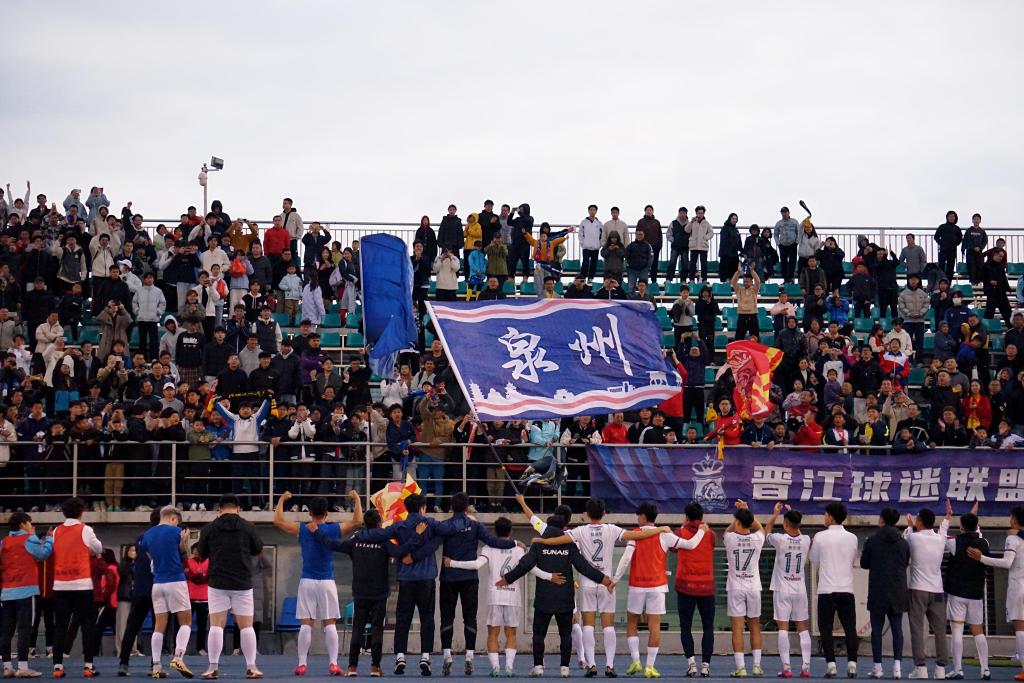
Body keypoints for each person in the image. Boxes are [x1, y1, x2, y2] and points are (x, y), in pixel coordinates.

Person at [531, 497, 677, 678]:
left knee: (588, 625)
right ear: (604, 513)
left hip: (587, 582)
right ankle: (609, 665)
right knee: (608, 626)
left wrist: (542, 541)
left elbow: (559, 540)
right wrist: (660, 529)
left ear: (586, 514)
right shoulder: (611, 529)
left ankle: (592, 665)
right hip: (606, 582)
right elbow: (637, 535)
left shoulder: (580, 530)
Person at [310, 508, 427, 676]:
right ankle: (375, 667)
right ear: (379, 524)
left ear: (364, 523)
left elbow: (333, 544)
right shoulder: (384, 542)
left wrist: (316, 532)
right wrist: (417, 535)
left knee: (357, 629)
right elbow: (401, 551)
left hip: (360, 592)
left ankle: (352, 667)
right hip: (379, 593)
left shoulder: (355, 540)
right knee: (377, 629)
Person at [500, 513, 613, 679]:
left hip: (544, 597)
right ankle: (565, 668)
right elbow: (583, 567)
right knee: (565, 634)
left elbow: (525, 565)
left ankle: (538, 667)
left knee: (539, 634)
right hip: (564, 597)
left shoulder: (539, 545)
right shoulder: (569, 545)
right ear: (563, 528)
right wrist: (603, 579)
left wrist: (507, 579)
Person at [445, 517, 560, 677]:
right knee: (511, 633)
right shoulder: (518, 549)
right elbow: (530, 568)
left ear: (494, 531)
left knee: (493, 633)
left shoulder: (488, 548)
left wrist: (452, 563)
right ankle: (509, 668)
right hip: (513, 596)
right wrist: (549, 576)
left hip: (495, 595)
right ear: (510, 531)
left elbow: (476, 565)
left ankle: (495, 668)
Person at [612, 502, 707, 678]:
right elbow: (690, 545)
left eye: (638, 516)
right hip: (657, 586)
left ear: (642, 516)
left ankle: (635, 661)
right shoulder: (664, 535)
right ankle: (649, 666)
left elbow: (625, 559)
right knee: (654, 625)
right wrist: (701, 531)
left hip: (637, 586)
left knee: (632, 622)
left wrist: (615, 580)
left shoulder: (635, 534)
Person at [273, 491, 362, 676]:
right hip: (327, 581)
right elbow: (357, 521)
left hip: (307, 581)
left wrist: (281, 499)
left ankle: (302, 664)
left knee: (306, 624)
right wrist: (357, 499)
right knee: (330, 624)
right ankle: (333, 663)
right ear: (326, 514)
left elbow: (278, 521)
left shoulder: (303, 529)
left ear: (310, 513)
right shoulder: (333, 529)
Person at [195, 494, 264, 680]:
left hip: (217, 582)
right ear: (238, 508)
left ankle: (212, 667)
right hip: (242, 582)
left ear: (219, 509)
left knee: (216, 625)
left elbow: (201, 553)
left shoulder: (209, 528)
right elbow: (258, 549)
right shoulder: (248, 527)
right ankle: (251, 667)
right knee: (246, 626)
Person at [965, 506, 1024, 682]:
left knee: (1020, 628)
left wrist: (981, 558)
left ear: (1015, 520)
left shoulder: (1013, 539)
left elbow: (1007, 563)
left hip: (1018, 586)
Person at [50, 497, 103, 678]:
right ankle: (88, 666)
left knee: (60, 626)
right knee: (87, 626)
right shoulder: (85, 529)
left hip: (60, 584)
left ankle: (57, 666)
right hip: (81, 585)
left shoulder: (56, 531)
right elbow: (98, 548)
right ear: (81, 512)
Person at [138, 506, 194, 679]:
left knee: (159, 625)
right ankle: (178, 657)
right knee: (186, 621)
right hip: (175, 580)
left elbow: (151, 559)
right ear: (173, 518)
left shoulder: (146, 535)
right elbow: (186, 556)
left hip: (157, 583)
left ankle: (156, 665)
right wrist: (184, 540)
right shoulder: (176, 532)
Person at [0, 512, 53, 679]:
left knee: (6, 631)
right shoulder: (29, 539)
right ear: (23, 524)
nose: (32, 526)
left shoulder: (3, 542)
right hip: (26, 591)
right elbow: (43, 554)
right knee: (25, 629)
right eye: (30, 523)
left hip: (7, 591)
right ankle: (23, 666)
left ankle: (7, 667)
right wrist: (49, 539)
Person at [860, 507, 910, 680]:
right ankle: (897, 667)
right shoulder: (903, 543)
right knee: (897, 628)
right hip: (898, 589)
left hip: (878, 589)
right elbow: (906, 562)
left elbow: (864, 563)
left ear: (881, 519)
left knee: (876, 629)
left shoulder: (872, 541)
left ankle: (878, 667)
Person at [810, 502, 859, 679]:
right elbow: (853, 559)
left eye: (825, 515)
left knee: (826, 627)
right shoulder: (852, 537)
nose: (824, 517)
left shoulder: (820, 536)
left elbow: (814, 559)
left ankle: (831, 665)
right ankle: (852, 664)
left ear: (830, 517)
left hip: (826, 589)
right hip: (846, 588)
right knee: (850, 628)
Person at [942, 501, 990, 681]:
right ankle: (985, 669)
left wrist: (948, 517)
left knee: (957, 630)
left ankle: (958, 669)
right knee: (978, 631)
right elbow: (978, 534)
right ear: (977, 526)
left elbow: (941, 536)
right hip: (976, 594)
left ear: (961, 527)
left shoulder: (954, 542)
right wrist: (973, 516)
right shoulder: (984, 543)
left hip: (957, 593)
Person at [763, 503, 812, 678]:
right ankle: (806, 667)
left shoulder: (780, 539)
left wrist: (775, 514)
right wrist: (792, 513)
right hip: (800, 590)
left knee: (782, 627)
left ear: (785, 524)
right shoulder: (806, 540)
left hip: (782, 589)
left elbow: (766, 532)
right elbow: (798, 532)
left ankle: (786, 667)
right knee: (802, 628)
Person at [719, 501, 766, 678]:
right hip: (753, 587)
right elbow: (759, 527)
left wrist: (739, 514)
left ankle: (741, 668)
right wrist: (746, 511)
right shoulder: (757, 539)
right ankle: (756, 666)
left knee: (737, 628)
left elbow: (727, 531)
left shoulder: (730, 538)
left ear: (737, 522)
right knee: (755, 626)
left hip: (735, 587)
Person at [903, 507, 950, 680]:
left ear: (920, 522)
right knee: (940, 630)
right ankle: (941, 668)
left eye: (917, 519)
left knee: (917, 629)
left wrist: (909, 527)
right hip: (937, 590)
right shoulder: (940, 539)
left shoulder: (913, 537)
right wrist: (947, 517)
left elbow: (905, 539)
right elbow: (943, 530)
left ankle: (920, 667)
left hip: (918, 589)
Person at [774, 207, 799, 283]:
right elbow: (775, 235)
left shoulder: (794, 221)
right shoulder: (778, 223)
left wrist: (796, 242)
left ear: (789, 212)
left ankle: (791, 279)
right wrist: (778, 244)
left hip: (793, 244)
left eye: (785, 212)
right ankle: (785, 279)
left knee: (792, 262)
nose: (784, 214)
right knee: (783, 263)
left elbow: (799, 232)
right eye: (782, 212)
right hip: (782, 245)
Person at [934, 211, 962, 279]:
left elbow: (960, 238)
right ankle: (940, 282)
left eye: (953, 216)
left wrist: (956, 244)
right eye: (950, 216)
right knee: (941, 267)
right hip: (943, 250)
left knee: (950, 268)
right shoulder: (942, 226)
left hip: (952, 251)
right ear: (947, 217)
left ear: (955, 218)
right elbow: (936, 237)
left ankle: (949, 283)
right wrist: (942, 243)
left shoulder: (957, 228)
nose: (952, 218)